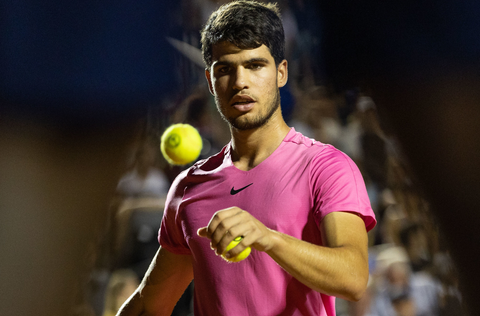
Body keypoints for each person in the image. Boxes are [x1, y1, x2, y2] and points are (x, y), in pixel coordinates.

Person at [117, 1, 376, 315]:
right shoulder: (190, 187)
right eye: (225, 69)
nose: (240, 82)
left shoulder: (327, 167)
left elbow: (353, 278)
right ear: (211, 81)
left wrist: (268, 238)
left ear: (281, 73)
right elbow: (150, 304)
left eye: (255, 65)